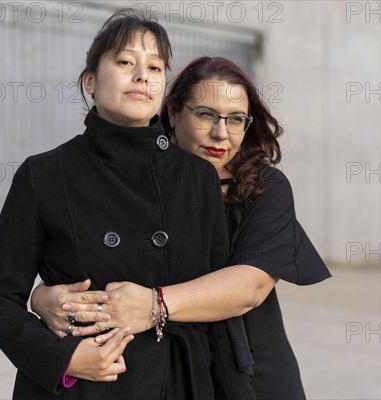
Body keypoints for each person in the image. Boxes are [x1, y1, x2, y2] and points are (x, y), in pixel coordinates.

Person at [0, 9, 237, 400]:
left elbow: (215, 298)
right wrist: (64, 358)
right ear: (91, 81)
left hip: (179, 383)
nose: (142, 75)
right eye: (126, 61)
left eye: (156, 67)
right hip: (84, 386)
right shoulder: (45, 174)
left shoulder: (196, 177)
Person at [31, 56, 332, 399]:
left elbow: (249, 287)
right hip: (162, 370)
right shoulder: (134, 181)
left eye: (236, 120)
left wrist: (153, 305)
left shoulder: (264, 187)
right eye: (205, 114)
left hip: (251, 368)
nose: (221, 133)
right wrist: (44, 296)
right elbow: (94, 262)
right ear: (173, 112)